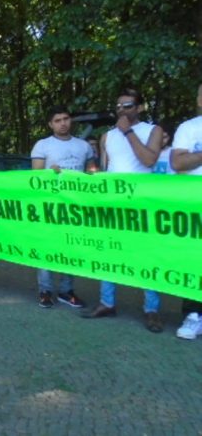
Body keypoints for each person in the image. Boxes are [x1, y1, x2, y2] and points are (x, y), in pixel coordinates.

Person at [83, 88, 164, 332]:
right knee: (109, 253)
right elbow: (107, 170)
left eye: (128, 106)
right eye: (118, 107)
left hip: (142, 206)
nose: (122, 110)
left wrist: (127, 131)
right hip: (113, 205)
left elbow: (149, 160)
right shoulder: (107, 136)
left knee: (148, 257)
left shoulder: (153, 130)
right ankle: (107, 302)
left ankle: (151, 310)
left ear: (139, 108)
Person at [31, 106, 95, 308]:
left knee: (71, 247)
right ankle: (45, 290)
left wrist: (92, 174)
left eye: (66, 119)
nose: (63, 123)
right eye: (57, 120)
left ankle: (66, 291)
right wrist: (50, 173)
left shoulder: (84, 146)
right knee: (47, 247)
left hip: (75, 207)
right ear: (51, 124)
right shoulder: (42, 145)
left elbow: (93, 171)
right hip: (50, 206)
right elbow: (36, 176)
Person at [170, 83, 202, 339]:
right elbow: (178, 162)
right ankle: (194, 315)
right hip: (195, 203)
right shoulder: (189, 128)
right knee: (196, 260)